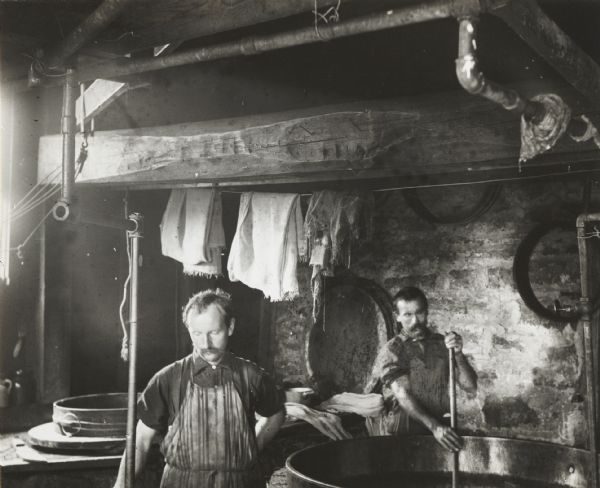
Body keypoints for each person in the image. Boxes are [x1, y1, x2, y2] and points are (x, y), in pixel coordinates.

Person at [113, 289, 285, 488]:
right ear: (189, 330)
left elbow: (276, 414)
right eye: (197, 333)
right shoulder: (168, 379)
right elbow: (140, 442)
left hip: (241, 482)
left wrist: (253, 445)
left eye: (214, 332)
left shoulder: (252, 376)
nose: (206, 343)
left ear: (230, 327)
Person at [366, 286, 477, 452]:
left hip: (441, 427)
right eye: (407, 315)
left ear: (426, 312)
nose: (415, 321)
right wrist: (435, 427)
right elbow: (403, 395)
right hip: (405, 430)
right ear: (398, 317)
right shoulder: (393, 350)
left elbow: (470, 386)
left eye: (419, 313)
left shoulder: (442, 343)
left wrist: (459, 354)